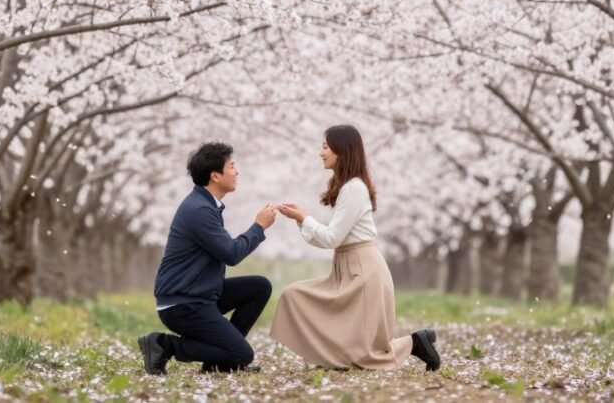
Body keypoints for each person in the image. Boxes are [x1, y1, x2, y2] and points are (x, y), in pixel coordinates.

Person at [270, 125, 440, 371]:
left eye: (326, 147)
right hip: (346, 267)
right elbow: (328, 238)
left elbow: (331, 238)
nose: (321, 152)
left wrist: (304, 217)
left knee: (363, 356)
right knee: (294, 297)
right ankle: (411, 343)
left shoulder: (354, 189)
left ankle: (414, 343)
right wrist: (300, 219)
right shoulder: (341, 186)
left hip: (363, 270)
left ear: (343, 150)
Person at [138, 141, 277, 375]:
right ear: (215, 175)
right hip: (182, 303)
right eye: (232, 166)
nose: (236, 171)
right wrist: (259, 227)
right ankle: (164, 345)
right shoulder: (199, 210)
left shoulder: (206, 205)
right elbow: (231, 254)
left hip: (199, 294)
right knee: (243, 355)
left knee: (259, 287)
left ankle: (219, 362)